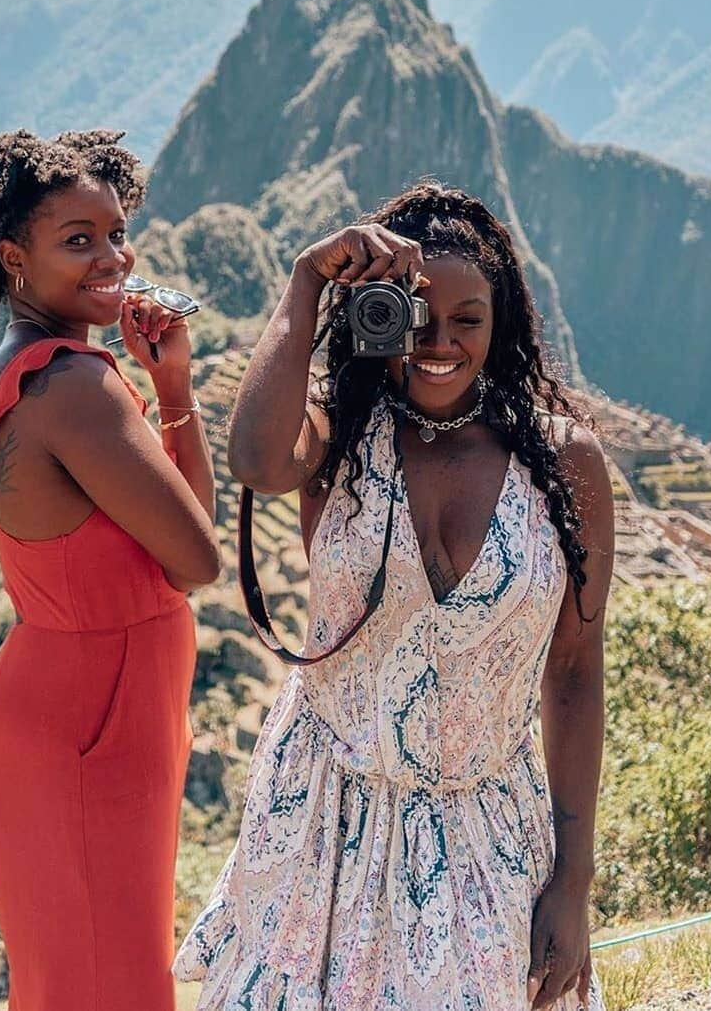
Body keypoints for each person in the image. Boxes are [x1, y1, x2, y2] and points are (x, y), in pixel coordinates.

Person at [175, 181, 613, 1010]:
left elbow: (576, 671)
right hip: (324, 820)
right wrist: (307, 280)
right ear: (373, 313)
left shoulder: (564, 463)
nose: (440, 342)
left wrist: (573, 881)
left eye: (468, 319)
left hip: (488, 826)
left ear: (504, 319)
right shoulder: (337, 435)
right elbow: (257, 462)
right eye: (416, 314)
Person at [0, 127, 222, 1011]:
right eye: (78, 240)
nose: (111, 256)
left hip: (80, 712)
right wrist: (160, 398)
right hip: (87, 729)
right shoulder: (74, 385)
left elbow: (187, 540)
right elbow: (199, 557)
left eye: (115, 232)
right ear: (13, 258)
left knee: (83, 983)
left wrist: (171, 389)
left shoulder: (33, 368)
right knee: (112, 987)